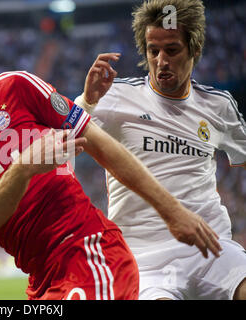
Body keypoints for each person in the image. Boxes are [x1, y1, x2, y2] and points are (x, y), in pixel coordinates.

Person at [0, 28, 221, 300]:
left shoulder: (15, 87)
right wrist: (22, 167)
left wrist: (173, 212)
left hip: (88, 252)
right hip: (41, 280)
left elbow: (101, 146)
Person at [75, 0, 246, 300]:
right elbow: (60, 148)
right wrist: (87, 102)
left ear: (194, 49)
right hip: (142, 259)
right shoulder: (115, 97)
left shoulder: (219, 106)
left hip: (212, 250)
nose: (161, 60)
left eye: (172, 49)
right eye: (153, 51)